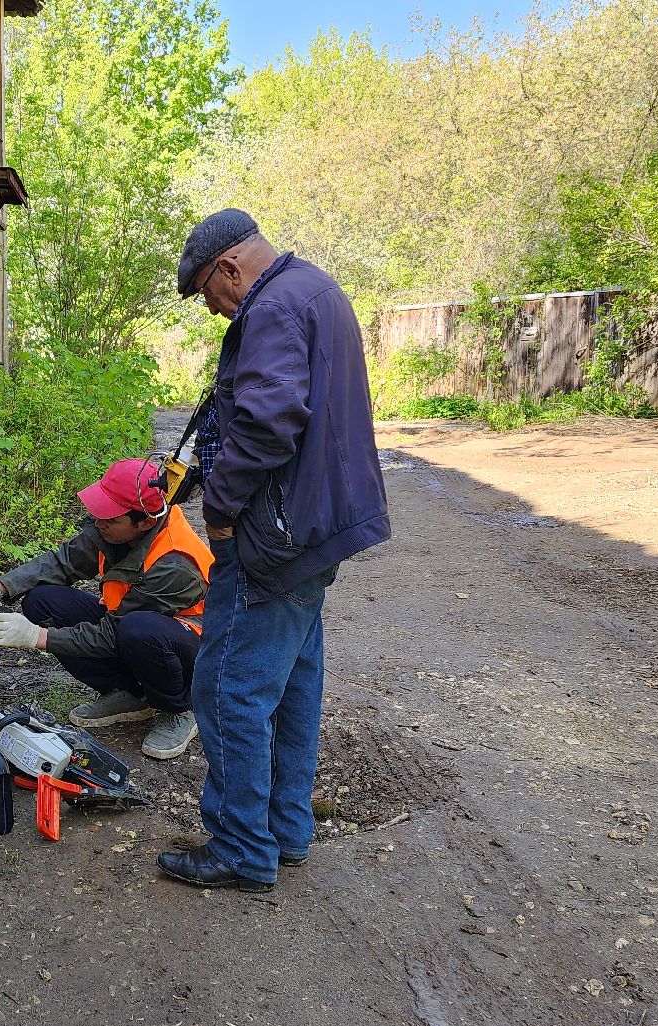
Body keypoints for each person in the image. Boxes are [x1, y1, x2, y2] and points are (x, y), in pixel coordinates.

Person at [155, 209, 390, 893]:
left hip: (274, 537)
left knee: (228, 685)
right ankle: (285, 831)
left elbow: (266, 424)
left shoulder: (273, 309)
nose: (213, 309)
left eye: (207, 294)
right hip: (315, 530)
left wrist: (221, 510)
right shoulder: (316, 289)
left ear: (229, 268)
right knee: (291, 685)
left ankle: (239, 849)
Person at [0, 458, 214, 760]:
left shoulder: (175, 563)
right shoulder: (113, 529)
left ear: (145, 521)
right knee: (41, 600)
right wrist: (0, 586)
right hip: (128, 626)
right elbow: (63, 562)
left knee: (140, 630)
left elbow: (112, 635)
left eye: (110, 519)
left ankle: (180, 708)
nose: (99, 524)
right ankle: (129, 694)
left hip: (193, 648)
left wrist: (36, 637)